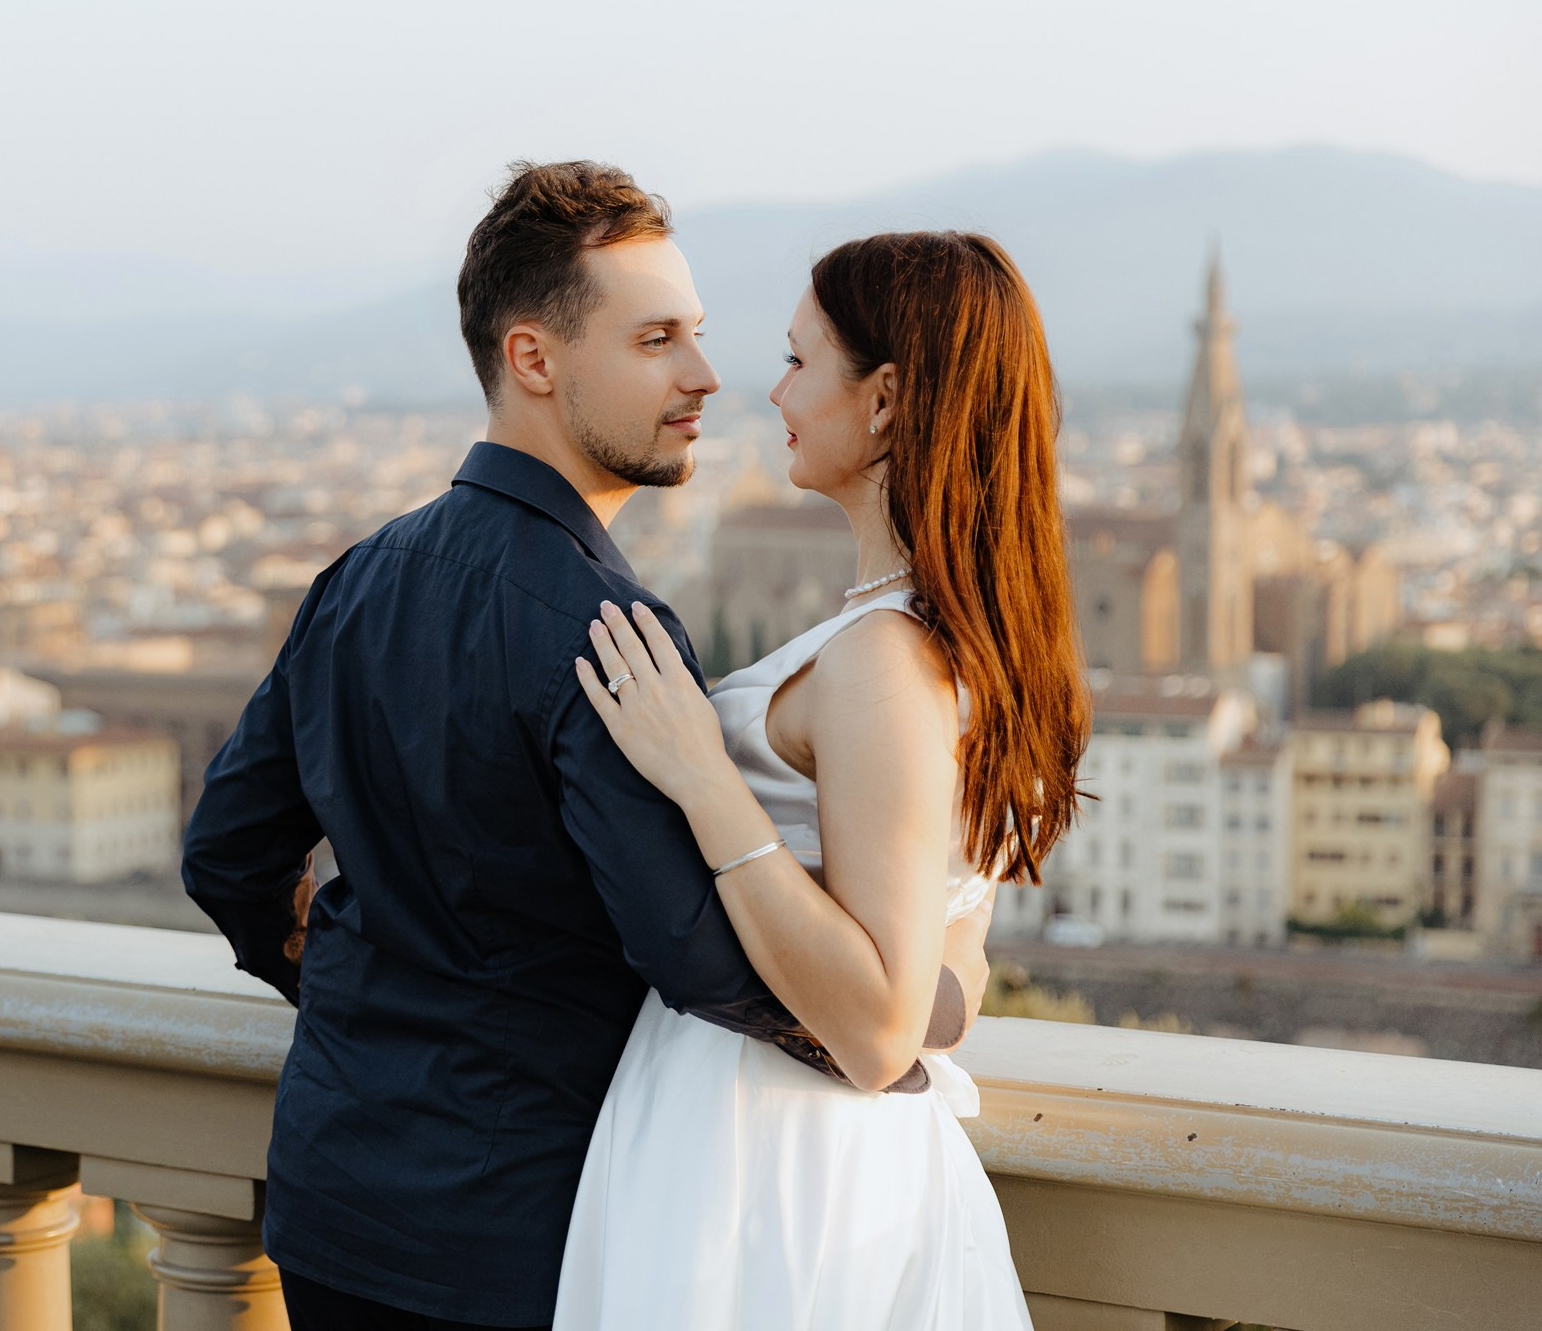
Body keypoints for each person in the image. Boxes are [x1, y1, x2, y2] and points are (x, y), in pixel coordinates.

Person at [182, 163, 991, 1329]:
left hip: (330, 1194)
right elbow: (699, 955)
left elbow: (225, 853)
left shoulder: (356, 579)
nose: (706, 377)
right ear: (534, 360)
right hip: (519, 1226)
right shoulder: (607, 633)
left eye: (700, 336)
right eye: (657, 339)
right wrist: (931, 1002)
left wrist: (354, 993)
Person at [552, 230, 1089, 1329]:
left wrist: (705, 778)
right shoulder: (929, 639)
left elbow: (880, 1030)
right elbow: (946, 982)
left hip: (767, 1159)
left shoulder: (884, 661)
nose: (773, 387)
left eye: (801, 359)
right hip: (805, 1147)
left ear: (886, 399)